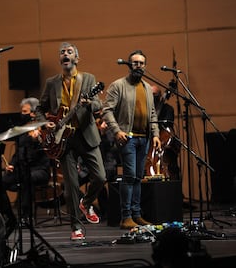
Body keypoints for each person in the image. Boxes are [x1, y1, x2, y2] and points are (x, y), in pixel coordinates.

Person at [35, 42, 107, 240]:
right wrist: (45, 123)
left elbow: (99, 105)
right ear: (60, 59)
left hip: (86, 135)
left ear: (76, 59)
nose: (65, 54)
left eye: (69, 52)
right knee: (71, 186)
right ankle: (76, 227)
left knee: (100, 177)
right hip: (62, 140)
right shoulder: (52, 82)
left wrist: (89, 102)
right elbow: (40, 109)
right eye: (62, 52)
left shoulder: (89, 79)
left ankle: (87, 202)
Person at [102, 49, 161, 230]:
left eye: (141, 63)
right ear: (129, 65)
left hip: (145, 138)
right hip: (128, 138)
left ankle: (136, 214)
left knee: (138, 177)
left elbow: (152, 113)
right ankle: (126, 216)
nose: (138, 66)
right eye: (135, 63)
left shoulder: (147, 88)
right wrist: (117, 131)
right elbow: (106, 110)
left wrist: (156, 134)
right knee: (129, 178)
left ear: (145, 66)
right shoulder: (118, 85)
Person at [3, 97, 50, 220]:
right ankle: (7, 214)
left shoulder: (43, 129)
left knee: (26, 177)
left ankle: (25, 216)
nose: (22, 114)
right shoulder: (22, 130)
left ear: (33, 113)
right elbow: (18, 152)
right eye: (22, 111)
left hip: (40, 169)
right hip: (22, 168)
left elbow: (46, 150)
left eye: (25, 112)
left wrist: (38, 140)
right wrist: (12, 164)